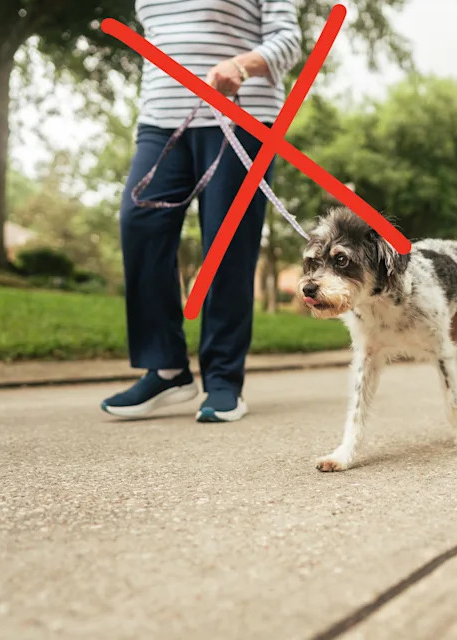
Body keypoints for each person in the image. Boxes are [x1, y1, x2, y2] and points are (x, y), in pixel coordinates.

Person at [100, 0, 303, 422]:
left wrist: (243, 65)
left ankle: (224, 380)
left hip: (240, 114)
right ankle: (168, 368)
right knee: (140, 222)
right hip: (161, 119)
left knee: (226, 245)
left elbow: (289, 42)